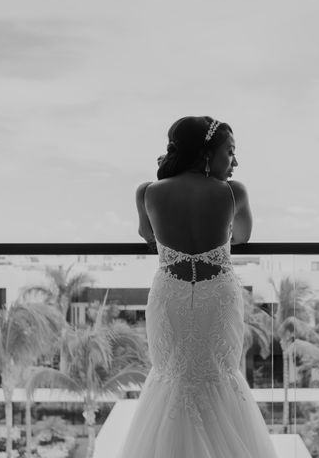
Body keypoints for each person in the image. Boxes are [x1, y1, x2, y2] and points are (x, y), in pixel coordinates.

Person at [117, 116, 277, 458]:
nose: (235, 162)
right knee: (219, 374)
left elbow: (148, 236)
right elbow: (244, 236)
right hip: (217, 294)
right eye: (230, 152)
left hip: (169, 295)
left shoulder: (147, 192)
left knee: (171, 375)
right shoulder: (233, 193)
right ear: (206, 154)